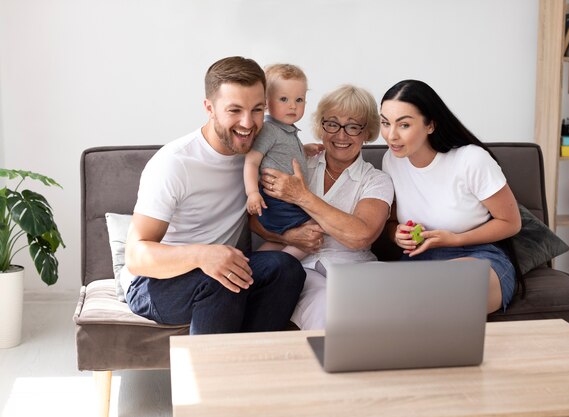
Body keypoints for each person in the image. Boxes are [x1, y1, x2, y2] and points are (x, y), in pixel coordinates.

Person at [123, 56, 306, 335]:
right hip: (156, 282)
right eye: (234, 110)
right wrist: (201, 255)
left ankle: (253, 365)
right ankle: (209, 377)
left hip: (224, 265)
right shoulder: (174, 163)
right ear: (209, 108)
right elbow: (137, 256)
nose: (248, 123)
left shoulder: (256, 152)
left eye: (257, 110)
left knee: (286, 268)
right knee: (222, 278)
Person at [251, 85, 394, 330]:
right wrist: (289, 235)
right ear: (322, 126)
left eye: (353, 126)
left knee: (392, 299)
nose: (341, 135)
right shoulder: (296, 161)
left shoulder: (377, 180)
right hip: (302, 269)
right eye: (332, 124)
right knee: (324, 307)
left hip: (356, 267)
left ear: (366, 131)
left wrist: (302, 196)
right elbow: (256, 219)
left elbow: (361, 235)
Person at [380, 79, 521, 313]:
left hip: (477, 256)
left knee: (440, 288)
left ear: (430, 125)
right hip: (419, 260)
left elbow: (511, 222)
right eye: (385, 123)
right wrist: (397, 235)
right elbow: (392, 222)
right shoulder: (392, 160)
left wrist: (455, 239)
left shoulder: (471, 160)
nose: (391, 135)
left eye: (403, 125)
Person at [243, 63, 321, 259]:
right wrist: (252, 193)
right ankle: (284, 264)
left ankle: (256, 265)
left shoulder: (286, 130)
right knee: (313, 232)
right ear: (266, 102)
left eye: (299, 99)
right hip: (275, 200)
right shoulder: (269, 130)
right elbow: (252, 161)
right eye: (284, 99)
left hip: (286, 200)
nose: (293, 105)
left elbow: (279, 155)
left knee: (280, 239)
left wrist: (303, 150)